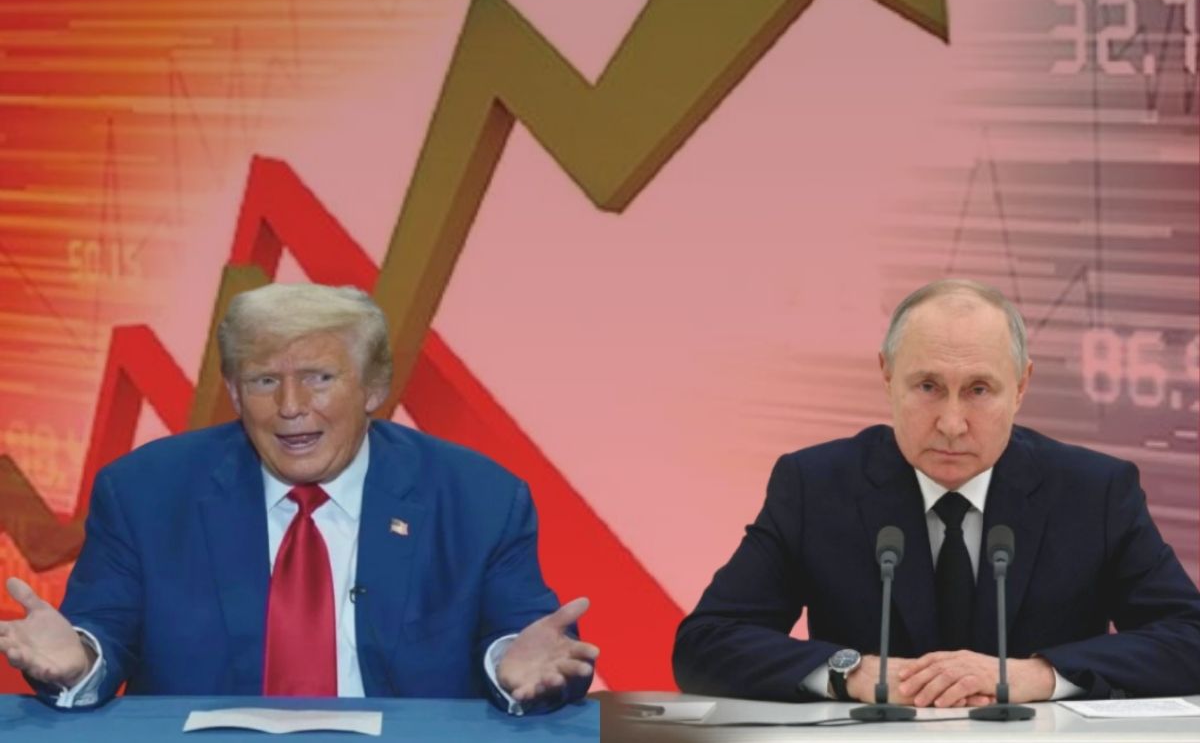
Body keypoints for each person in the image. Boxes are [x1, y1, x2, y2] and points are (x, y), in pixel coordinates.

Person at [0, 283, 598, 712]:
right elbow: (103, 632)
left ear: (374, 387)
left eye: (319, 378)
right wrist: (79, 661)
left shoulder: (476, 497)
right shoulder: (145, 492)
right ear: (235, 393)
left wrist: (511, 663)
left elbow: (522, 640)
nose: (290, 407)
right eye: (265, 381)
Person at [674, 279, 1200, 706]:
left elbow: (1190, 638)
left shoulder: (1094, 492)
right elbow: (706, 643)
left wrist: (1037, 676)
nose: (951, 423)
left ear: (1021, 386)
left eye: (978, 390)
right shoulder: (816, 485)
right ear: (887, 376)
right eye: (928, 387)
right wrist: (852, 672)